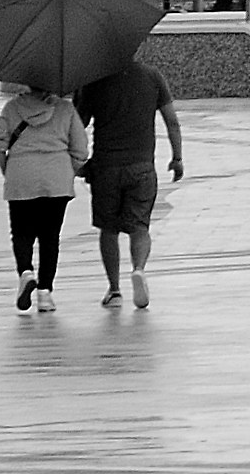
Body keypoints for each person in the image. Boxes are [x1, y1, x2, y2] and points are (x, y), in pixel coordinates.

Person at [75, 60, 185, 309]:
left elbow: (76, 125)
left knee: (108, 229)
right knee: (140, 227)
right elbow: (172, 122)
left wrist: (76, 162)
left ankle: (114, 290)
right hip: (142, 167)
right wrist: (177, 158)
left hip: (106, 168)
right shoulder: (152, 76)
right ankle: (139, 269)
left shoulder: (94, 81)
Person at [0, 86, 90, 313]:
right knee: (50, 237)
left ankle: (26, 272)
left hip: (21, 176)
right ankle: (45, 293)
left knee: (21, 232)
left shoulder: (12, 107)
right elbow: (81, 150)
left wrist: (10, 172)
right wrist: (67, 171)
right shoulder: (66, 109)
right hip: (56, 180)